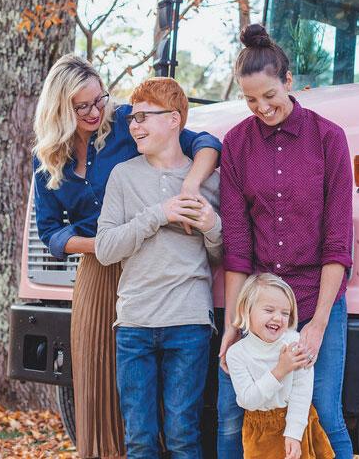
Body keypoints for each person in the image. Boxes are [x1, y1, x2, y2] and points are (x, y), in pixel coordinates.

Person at [33, 55, 221, 459]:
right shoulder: (48, 156)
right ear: (60, 109)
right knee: (101, 385)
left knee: (174, 417)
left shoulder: (127, 122)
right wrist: (104, 244)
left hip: (154, 273)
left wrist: (189, 187)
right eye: (82, 106)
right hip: (100, 270)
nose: (95, 111)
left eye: (99, 99)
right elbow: (50, 232)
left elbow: (204, 142)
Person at [217, 24, 354, 459]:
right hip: (258, 309)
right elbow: (237, 246)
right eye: (250, 100)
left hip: (317, 299)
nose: (262, 108)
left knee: (323, 414)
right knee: (231, 414)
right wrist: (232, 326)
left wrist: (317, 324)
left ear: (289, 82)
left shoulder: (328, 139)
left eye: (269, 96)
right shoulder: (236, 145)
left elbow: (338, 243)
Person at [95, 77, 222, 459]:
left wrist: (211, 226)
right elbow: (105, 249)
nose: (134, 125)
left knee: (183, 434)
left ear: (174, 120)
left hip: (188, 323)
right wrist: (158, 214)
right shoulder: (123, 175)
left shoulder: (207, 182)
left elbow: (219, 255)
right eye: (133, 118)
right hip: (134, 323)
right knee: (140, 439)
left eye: (145, 117)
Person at [225, 274, 334, 459]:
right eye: (269, 310)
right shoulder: (237, 354)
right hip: (258, 432)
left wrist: (293, 434)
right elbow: (248, 400)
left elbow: (302, 393)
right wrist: (280, 370)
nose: (278, 318)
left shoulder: (295, 343)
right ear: (246, 309)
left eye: (285, 313)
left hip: (296, 422)